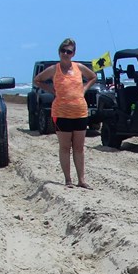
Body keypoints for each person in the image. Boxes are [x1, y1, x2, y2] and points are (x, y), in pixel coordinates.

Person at [32, 38, 97, 189]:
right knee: (65, 147)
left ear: (73, 53)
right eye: (63, 51)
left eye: (69, 51)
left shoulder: (79, 67)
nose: (66, 54)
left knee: (79, 147)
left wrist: (84, 88)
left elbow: (93, 77)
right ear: (59, 52)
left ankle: (81, 180)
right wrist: (52, 91)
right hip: (61, 113)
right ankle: (68, 180)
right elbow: (38, 80)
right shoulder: (54, 69)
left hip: (80, 111)